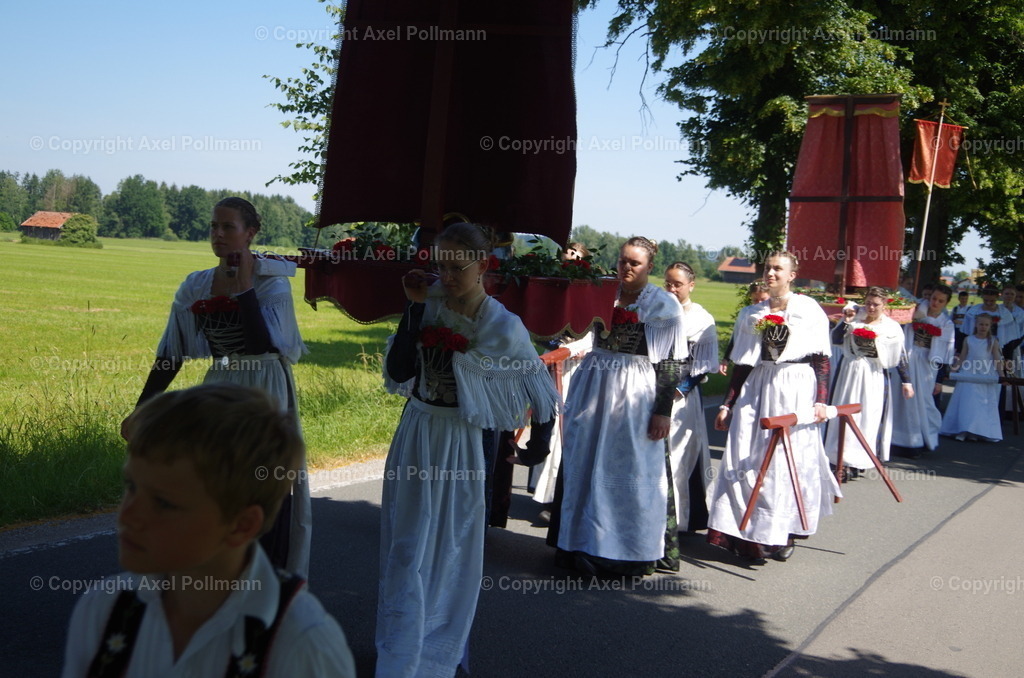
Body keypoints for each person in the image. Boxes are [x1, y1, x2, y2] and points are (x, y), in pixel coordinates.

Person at [62, 384, 355, 678]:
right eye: (131, 487)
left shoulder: (302, 644)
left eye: (163, 503)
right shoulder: (104, 610)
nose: (128, 515)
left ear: (241, 525)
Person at [380, 222, 559, 677]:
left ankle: (441, 648)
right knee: (406, 541)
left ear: (484, 265)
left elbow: (537, 394)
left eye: (458, 266)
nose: (448, 275)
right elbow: (402, 368)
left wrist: (536, 448)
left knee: (450, 543)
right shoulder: (429, 302)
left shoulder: (501, 324)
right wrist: (414, 311)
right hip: (417, 432)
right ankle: (401, 645)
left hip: (461, 442)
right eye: (440, 264)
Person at [121, 197, 310, 577]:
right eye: (213, 226)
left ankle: (263, 578)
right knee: (215, 480)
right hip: (222, 385)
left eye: (229, 227)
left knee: (260, 482)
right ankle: (212, 569)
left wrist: (243, 289)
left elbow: (261, 345)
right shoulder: (197, 284)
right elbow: (172, 353)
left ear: (250, 233)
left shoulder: (273, 283)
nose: (218, 235)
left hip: (266, 389)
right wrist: (143, 410)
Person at [548, 236, 687, 577]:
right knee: (584, 460)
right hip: (594, 383)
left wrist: (662, 410)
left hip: (635, 388)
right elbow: (575, 329)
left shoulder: (663, 304)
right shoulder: (601, 292)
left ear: (649, 267)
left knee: (629, 468)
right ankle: (578, 542)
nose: (626, 267)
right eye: (623, 260)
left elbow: (670, 362)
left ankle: (625, 552)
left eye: (635, 263)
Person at [707, 252, 840, 563]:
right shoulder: (750, 314)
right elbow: (741, 363)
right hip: (757, 385)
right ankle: (743, 532)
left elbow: (822, 358)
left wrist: (821, 400)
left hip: (795, 385)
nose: (771, 273)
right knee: (745, 456)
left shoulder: (809, 310)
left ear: (792, 274)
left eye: (778, 269)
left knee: (785, 460)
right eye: (768, 268)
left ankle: (781, 531)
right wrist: (728, 403)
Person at [824, 288, 913, 476]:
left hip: (873, 374)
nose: (871, 307)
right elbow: (836, 339)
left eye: (876, 304)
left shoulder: (891, 327)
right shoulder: (855, 318)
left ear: (885, 305)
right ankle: (840, 458)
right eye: (868, 303)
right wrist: (846, 322)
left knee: (867, 417)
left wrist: (907, 381)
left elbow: (899, 354)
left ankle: (859, 458)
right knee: (844, 412)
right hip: (849, 371)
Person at [664, 261, 717, 532]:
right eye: (668, 283)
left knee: (678, 455)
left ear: (691, 285)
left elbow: (704, 365)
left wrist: (678, 389)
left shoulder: (701, 319)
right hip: (653, 391)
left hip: (682, 398)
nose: (672, 289)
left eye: (678, 284)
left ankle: (677, 518)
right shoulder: (657, 312)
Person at [890, 284, 955, 456]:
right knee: (901, 399)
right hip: (908, 357)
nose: (935, 303)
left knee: (923, 401)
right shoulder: (916, 312)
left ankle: (922, 438)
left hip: (928, 364)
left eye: (940, 301)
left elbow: (945, 353)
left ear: (946, 303)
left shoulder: (946, 324)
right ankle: (898, 439)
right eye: (934, 298)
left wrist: (940, 380)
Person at [940, 313, 1006, 442]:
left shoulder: (992, 341)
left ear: (990, 326)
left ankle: (976, 431)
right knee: (967, 401)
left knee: (980, 403)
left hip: (985, 374)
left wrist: (1002, 376)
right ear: (976, 324)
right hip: (969, 372)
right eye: (981, 324)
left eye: (986, 325)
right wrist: (952, 371)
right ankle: (963, 429)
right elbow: (963, 357)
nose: (983, 327)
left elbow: (997, 360)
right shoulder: (969, 339)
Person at [718, 280, 769, 375]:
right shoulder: (745, 312)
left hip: (764, 363)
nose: (759, 303)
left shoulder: (774, 314)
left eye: (763, 299)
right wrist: (726, 359)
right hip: (744, 359)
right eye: (755, 300)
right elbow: (736, 335)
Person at [962, 284, 1017, 350]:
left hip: (997, 349)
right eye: (986, 300)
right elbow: (964, 333)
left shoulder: (1005, 314)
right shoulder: (972, 312)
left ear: (997, 297)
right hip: (975, 348)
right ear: (982, 297)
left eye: (992, 301)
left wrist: (1008, 357)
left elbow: (1009, 337)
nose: (988, 303)